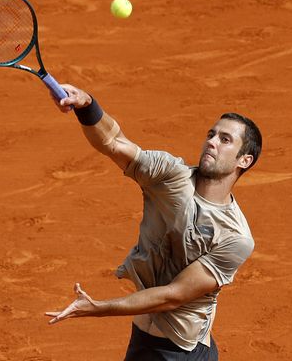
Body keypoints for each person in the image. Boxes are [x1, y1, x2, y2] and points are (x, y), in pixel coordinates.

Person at [44, 84, 262, 360]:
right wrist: (86, 105)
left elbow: (173, 295)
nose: (212, 141)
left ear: (244, 160)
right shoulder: (170, 176)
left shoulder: (235, 237)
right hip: (142, 342)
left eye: (225, 139)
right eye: (211, 134)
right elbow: (114, 142)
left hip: (182, 353)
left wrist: (99, 307)